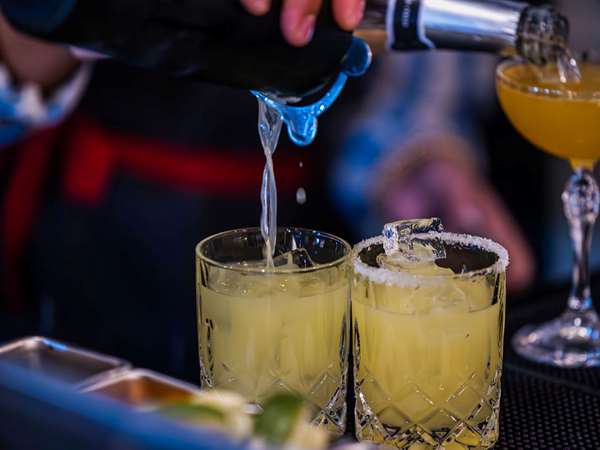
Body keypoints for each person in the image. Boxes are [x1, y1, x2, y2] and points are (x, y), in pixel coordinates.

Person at [0, 1, 534, 382]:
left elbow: (409, 50)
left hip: (321, 209)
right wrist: (30, 42)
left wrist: (409, 158)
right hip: (98, 220)